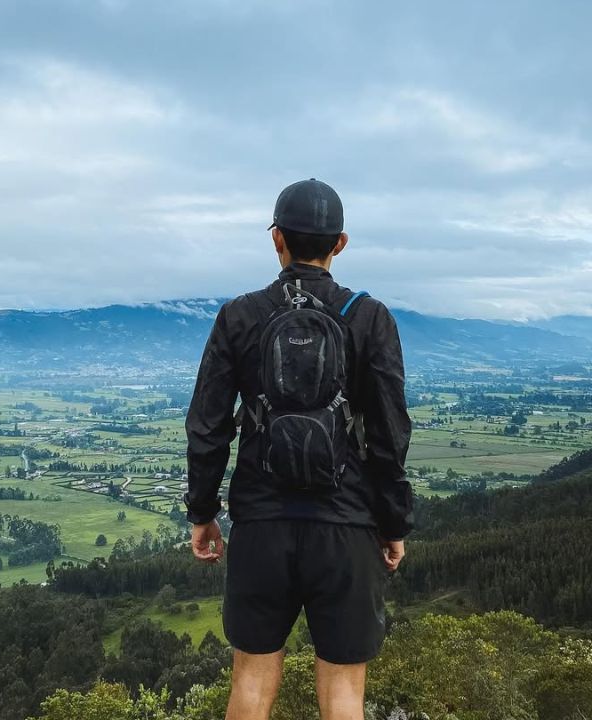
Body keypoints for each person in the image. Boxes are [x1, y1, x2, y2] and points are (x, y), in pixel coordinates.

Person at [184, 178, 414, 720]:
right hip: (346, 522)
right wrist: (393, 523)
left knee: (251, 683)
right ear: (341, 243)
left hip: (262, 524)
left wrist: (202, 512)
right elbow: (389, 433)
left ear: (276, 239)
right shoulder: (369, 316)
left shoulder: (239, 316)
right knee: (342, 694)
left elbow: (208, 425)